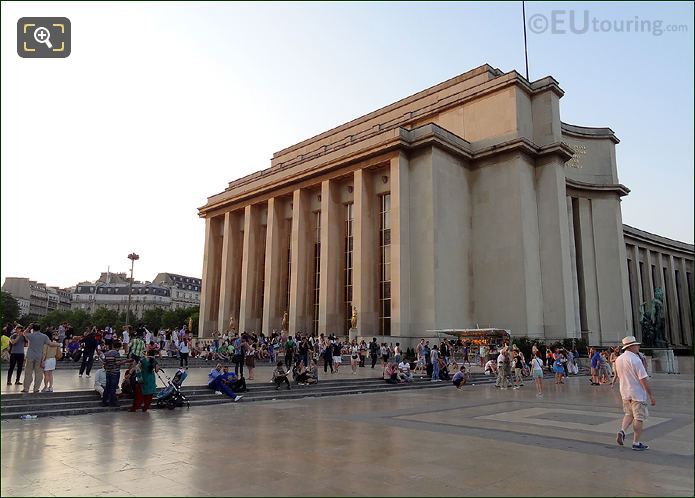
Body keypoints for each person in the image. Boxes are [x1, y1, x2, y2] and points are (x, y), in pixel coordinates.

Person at [614, 336, 656, 451]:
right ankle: (636, 442)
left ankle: (622, 431)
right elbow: (643, 379)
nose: (638, 347)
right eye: (637, 345)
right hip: (637, 393)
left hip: (624, 391)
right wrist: (651, 395)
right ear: (631, 346)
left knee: (629, 414)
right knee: (639, 417)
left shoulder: (619, 359)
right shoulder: (635, 360)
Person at [22, 324, 59, 393]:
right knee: (39, 373)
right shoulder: (44, 336)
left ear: (33, 328)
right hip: (39, 356)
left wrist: (28, 327)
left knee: (28, 373)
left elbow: (24, 333)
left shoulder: (30, 335)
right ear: (40, 329)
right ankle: (36, 389)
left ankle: (26, 388)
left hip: (30, 356)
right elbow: (50, 344)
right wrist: (58, 344)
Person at [102, 341, 129, 407]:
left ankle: (104, 401)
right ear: (119, 347)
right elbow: (117, 363)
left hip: (108, 372)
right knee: (113, 388)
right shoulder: (116, 353)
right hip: (115, 372)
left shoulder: (106, 353)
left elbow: (104, 363)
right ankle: (112, 402)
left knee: (107, 387)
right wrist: (125, 361)